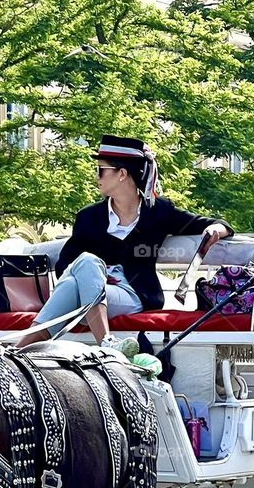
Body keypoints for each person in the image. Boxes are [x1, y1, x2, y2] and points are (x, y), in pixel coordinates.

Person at [15, 135, 233, 350]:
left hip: (132, 294)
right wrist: (96, 276)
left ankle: (14, 352)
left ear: (121, 173)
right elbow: (65, 265)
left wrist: (217, 229)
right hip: (87, 296)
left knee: (84, 268)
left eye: (101, 170)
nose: (96, 176)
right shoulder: (88, 217)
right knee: (85, 267)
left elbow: (213, 223)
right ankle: (106, 345)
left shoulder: (157, 211)